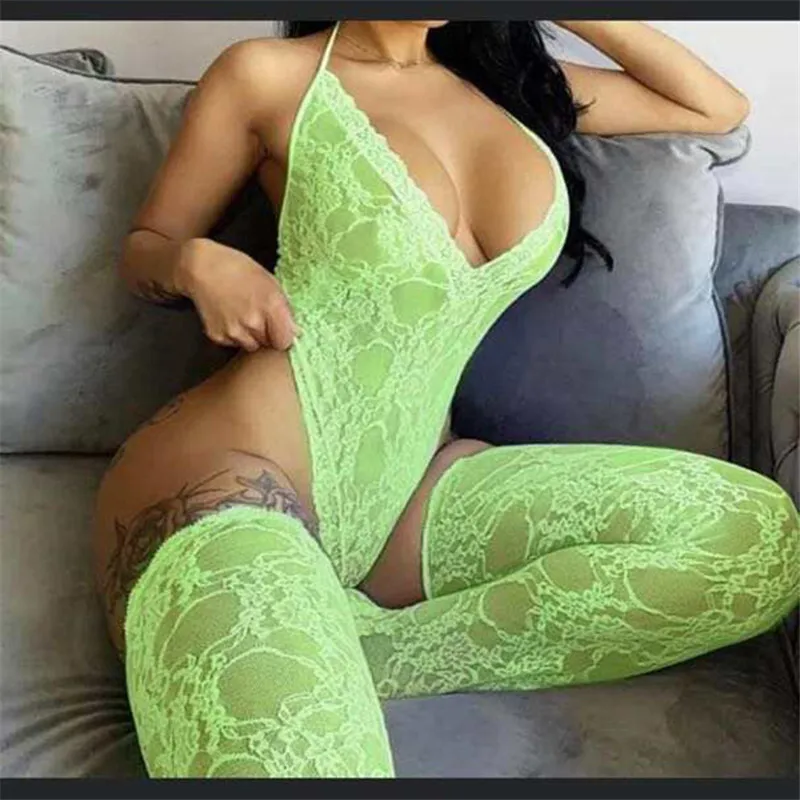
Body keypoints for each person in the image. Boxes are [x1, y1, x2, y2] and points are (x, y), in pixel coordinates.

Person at [91, 20, 798, 778]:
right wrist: (197, 263)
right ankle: (303, 645)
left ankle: (362, 648)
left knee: (752, 539)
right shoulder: (269, 74)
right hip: (234, 483)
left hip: (410, 503)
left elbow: (714, 108)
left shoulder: (511, 87)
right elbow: (147, 246)